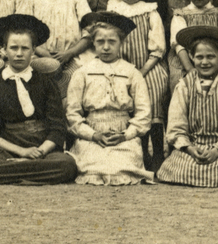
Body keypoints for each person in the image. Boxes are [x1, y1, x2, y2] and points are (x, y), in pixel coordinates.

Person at [0, 14, 77, 185]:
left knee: (67, 165)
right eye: (14, 48)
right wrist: (22, 152)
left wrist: (39, 152)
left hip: (41, 149)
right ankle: (31, 170)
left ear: (33, 50)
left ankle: (16, 171)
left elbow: (57, 128)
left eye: (25, 48)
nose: (19, 54)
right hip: (7, 150)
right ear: (4, 50)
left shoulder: (46, 83)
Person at [65, 12, 153, 185]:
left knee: (121, 169)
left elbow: (144, 113)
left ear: (121, 42)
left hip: (123, 136)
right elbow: (72, 114)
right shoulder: (82, 73)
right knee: (93, 169)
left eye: (112, 42)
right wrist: (93, 135)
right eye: (100, 41)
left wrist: (126, 135)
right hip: (91, 135)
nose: (106, 47)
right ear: (93, 42)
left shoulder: (132, 72)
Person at [155, 26, 218, 187]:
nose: (205, 62)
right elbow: (176, 126)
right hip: (192, 149)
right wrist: (190, 149)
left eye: (211, 57)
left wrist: (216, 151)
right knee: (179, 169)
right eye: (199, 57)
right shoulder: (184, 85)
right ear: (191, 57)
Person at [107, 0, 169, 170]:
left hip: (149, 66)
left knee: (154, 93)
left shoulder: (150, 12)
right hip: (121, 66)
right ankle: (140, 153)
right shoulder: (113, 11)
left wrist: (141, 72)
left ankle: (157, 153)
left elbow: (158, 49)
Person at [168, 0, 218, 93]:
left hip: (215, 63)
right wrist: (190, 69)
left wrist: (213, 68)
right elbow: (178, 45)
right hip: (185, 63)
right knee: (182, 86)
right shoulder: (180, 15)